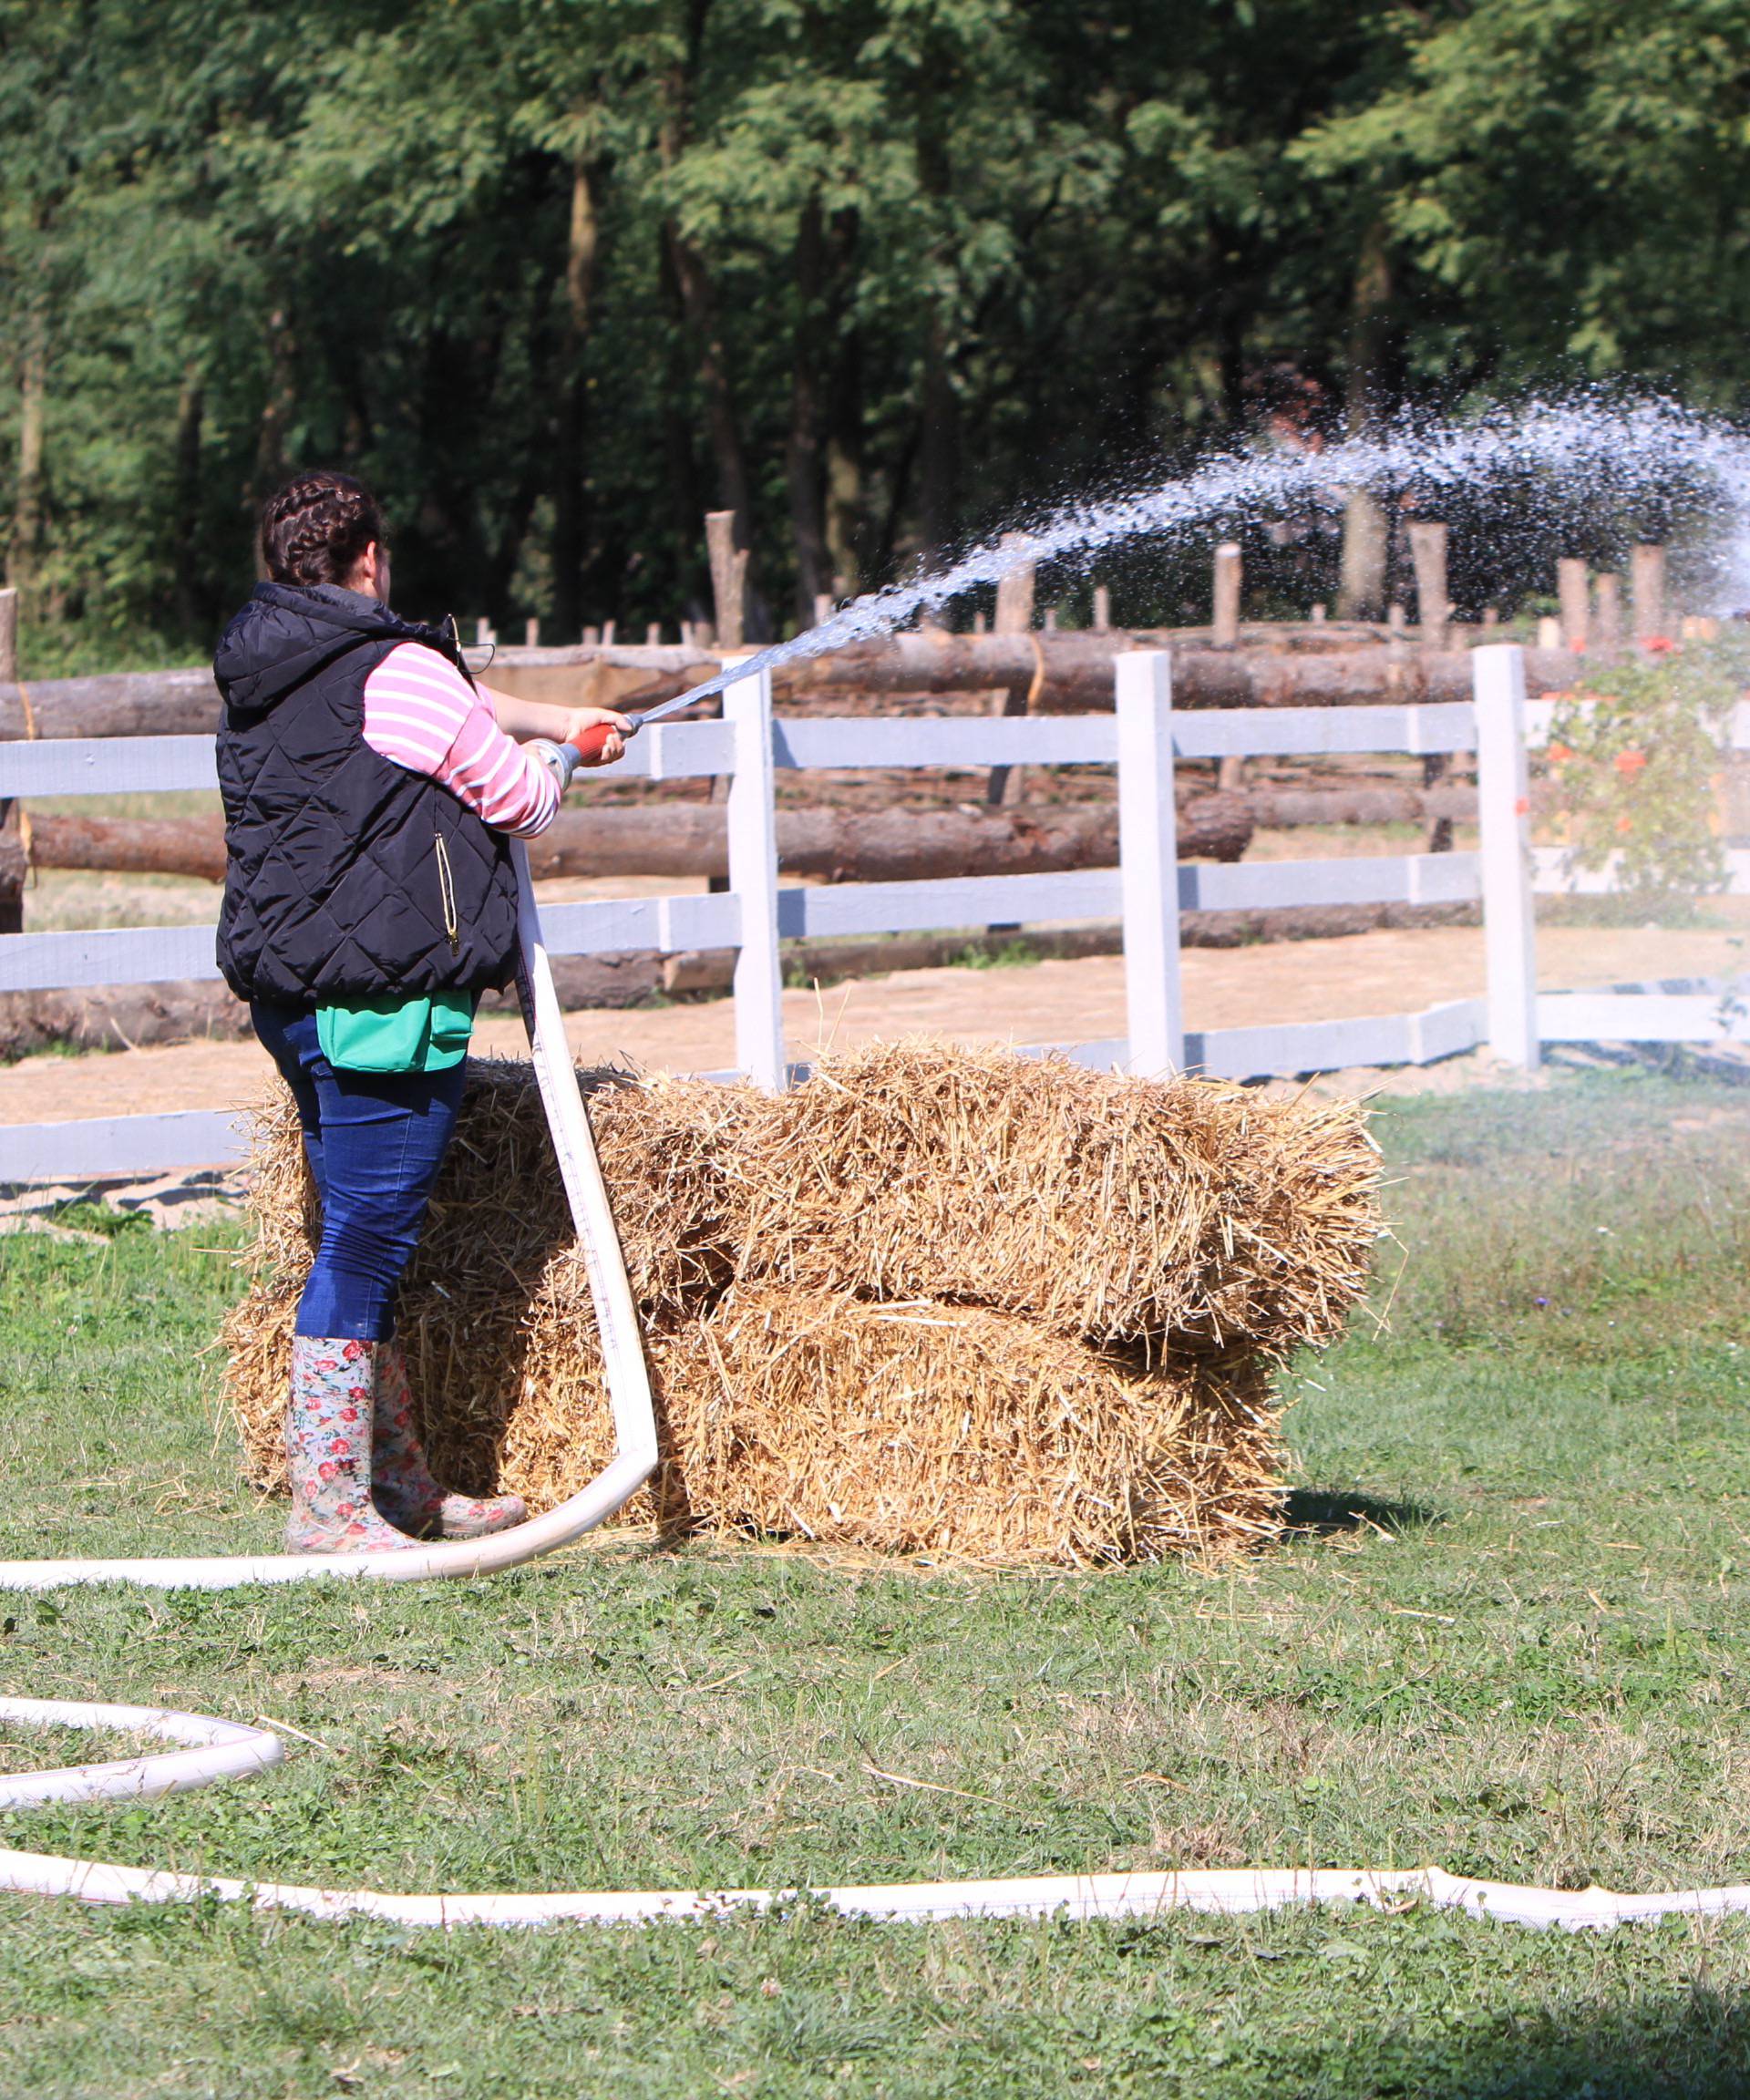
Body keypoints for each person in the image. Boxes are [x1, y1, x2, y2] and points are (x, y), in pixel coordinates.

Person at [213, 468, 629, 1553]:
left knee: (368, 1242)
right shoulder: (394, 665)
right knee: (362, 1244)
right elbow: (520, 801)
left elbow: (447, 698)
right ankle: (332, 1510)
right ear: (368, 560)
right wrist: (559, 759)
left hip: (295, 997)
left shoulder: (278, 667)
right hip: (384, 1001)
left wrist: (558, 715)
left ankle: (391, 1483)